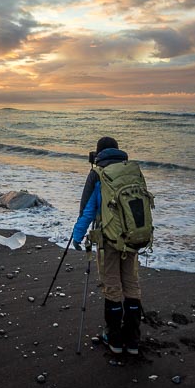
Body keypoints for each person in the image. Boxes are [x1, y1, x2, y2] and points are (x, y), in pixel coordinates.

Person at [71, 136, 144, 355]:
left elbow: (88, 210)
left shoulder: (98, 174)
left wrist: (78, 235)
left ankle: (113, 339)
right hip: (132, 238)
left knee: (112, 287)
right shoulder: (132, 171)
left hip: (109, 240)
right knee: (131, 285)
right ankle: (132, 341)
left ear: (98, 154)